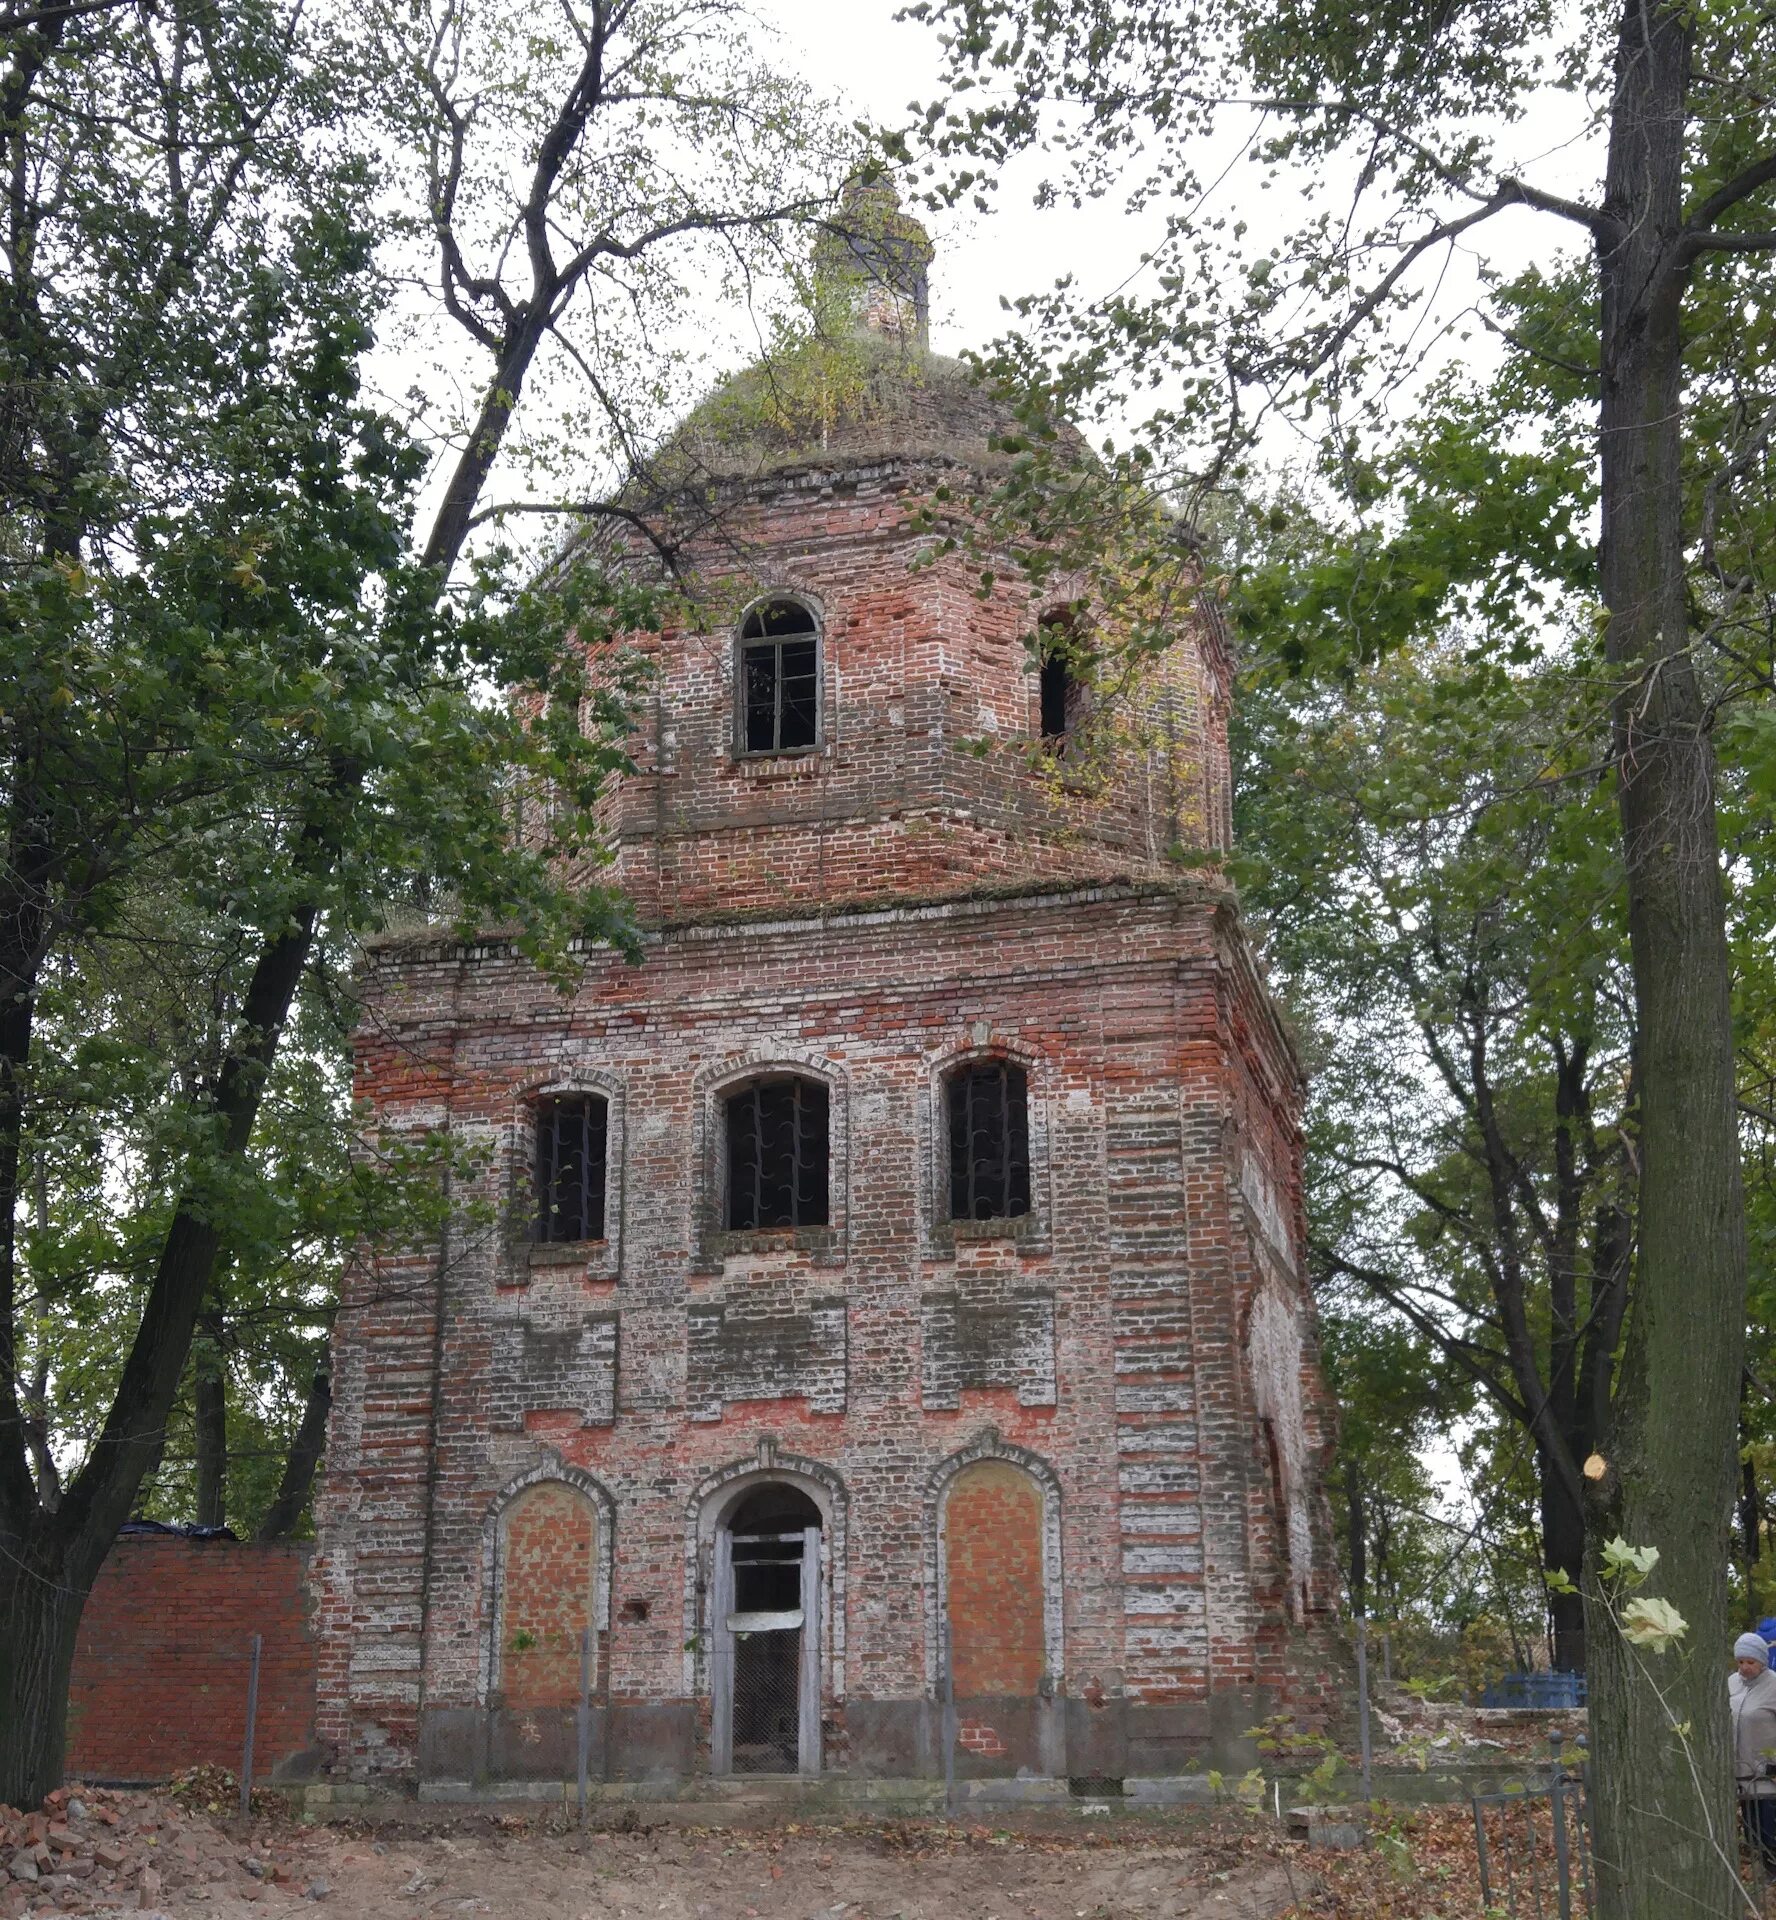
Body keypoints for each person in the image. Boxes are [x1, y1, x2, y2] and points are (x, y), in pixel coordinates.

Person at [1731, 1631, 1776, 1874]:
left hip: (1767, 1772)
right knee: (1752, 1828)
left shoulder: (1774, 1686)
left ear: (1762, 1661)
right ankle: (1760, 1867)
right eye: (1740, 1662)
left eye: (1751, 1662)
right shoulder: (1730, 1683)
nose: (1744, 1668)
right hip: (1739, 1770)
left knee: (1770, 1826)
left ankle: (1772, 1870)